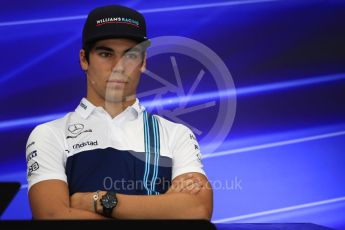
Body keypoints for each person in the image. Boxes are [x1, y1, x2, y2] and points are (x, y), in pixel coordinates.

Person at [26, 4, 213, 220]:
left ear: (143, 62)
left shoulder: (176, 134)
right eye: (106, 54)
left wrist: (97, 200)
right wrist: (164, 209)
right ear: (84, 59)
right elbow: (52, 216)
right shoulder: (49, 134)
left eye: (131, 55)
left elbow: (197, 211)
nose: (118, 66)